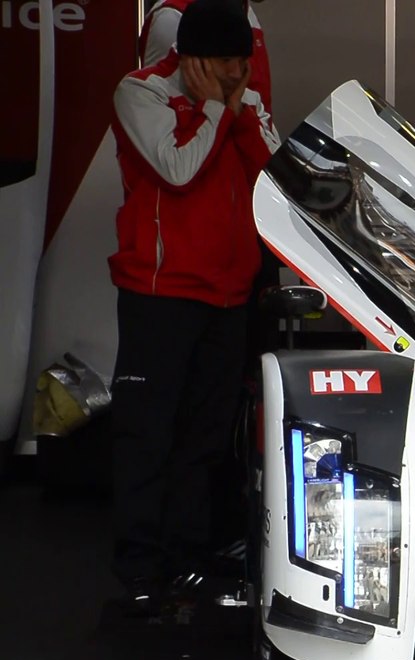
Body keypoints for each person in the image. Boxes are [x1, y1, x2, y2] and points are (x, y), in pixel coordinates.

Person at [108, 0, 281, 616]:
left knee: (205, 439)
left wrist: (237, 110)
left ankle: (188, 561)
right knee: (147, 435)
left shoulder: (244, 102)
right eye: (225, 63)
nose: (236, 73)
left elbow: (275, 180)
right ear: (191, 58)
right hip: (160, 296)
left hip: (229, 295)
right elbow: (178, 170)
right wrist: (216, 109)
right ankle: (138, 569)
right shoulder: (141, 92)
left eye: (242, 61)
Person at [140, 0, 272, 116]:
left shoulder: (244, 12)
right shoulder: (172, 16)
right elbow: (161, 107)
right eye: (225, 59)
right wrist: (215, 109)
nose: (237, 73)